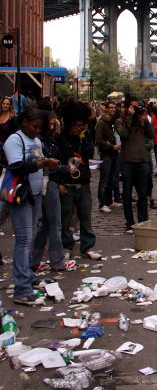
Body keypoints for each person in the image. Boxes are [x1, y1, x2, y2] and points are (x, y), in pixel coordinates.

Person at [3, 105, 59, 305]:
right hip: (21, 196)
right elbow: (17, 165)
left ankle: (27, 276)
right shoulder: (14, 140)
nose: (37, 130)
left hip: (35, 194)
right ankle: (21, 289)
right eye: (34, 126)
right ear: (24, 122)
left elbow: (40, 161)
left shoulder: (35, 140)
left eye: (39, 127)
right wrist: (43, 164)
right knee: (24, 240)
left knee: (29, 238)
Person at [32, 112, 77, 272]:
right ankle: (57, 262)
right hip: (48, 183)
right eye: (50, 124)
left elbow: (65, 154)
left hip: (50, 182)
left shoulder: (52, 139)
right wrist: (65, 169)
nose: (52, 127)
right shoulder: (40, 142)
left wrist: (58, 133)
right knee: (55, 224)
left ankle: (34, 260)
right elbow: (47, 166)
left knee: (46, 224)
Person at [59, 99, 100, 259]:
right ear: (69, 124)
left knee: (86, 218)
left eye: (80, 125)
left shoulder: (85, 136)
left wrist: (84, 136)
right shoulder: (62, 138)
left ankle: (87, 247)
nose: (78, 128)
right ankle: (67, 247)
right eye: (75, 125)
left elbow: (90, 155)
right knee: (66, 219)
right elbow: (61, 157)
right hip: (67, 183)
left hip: (84, 181)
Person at [115, 95, 155, 233]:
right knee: (127, 195)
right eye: (133, 106)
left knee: (143, 194)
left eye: (137, 106)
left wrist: (145, 119)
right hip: (127, 162)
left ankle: (143, 222)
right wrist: (130, 117)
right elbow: (123, 135)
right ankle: (130, 223)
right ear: (126, 108)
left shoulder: (142, 122)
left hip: (142, 161)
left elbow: (151, 135)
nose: (136, 108)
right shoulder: (120, 121)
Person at [95, 100, 121, 212]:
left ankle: (109, 201)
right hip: (106, 154)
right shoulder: (101, 122)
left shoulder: (113, 121)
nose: (113, 109)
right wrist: (111, 146)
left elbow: (115, 134)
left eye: (114, 107)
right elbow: (99, 139)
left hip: (114, 154)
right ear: (106, 108)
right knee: (104, 180)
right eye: (111, 107)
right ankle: (102, 203)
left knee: (112, 179)